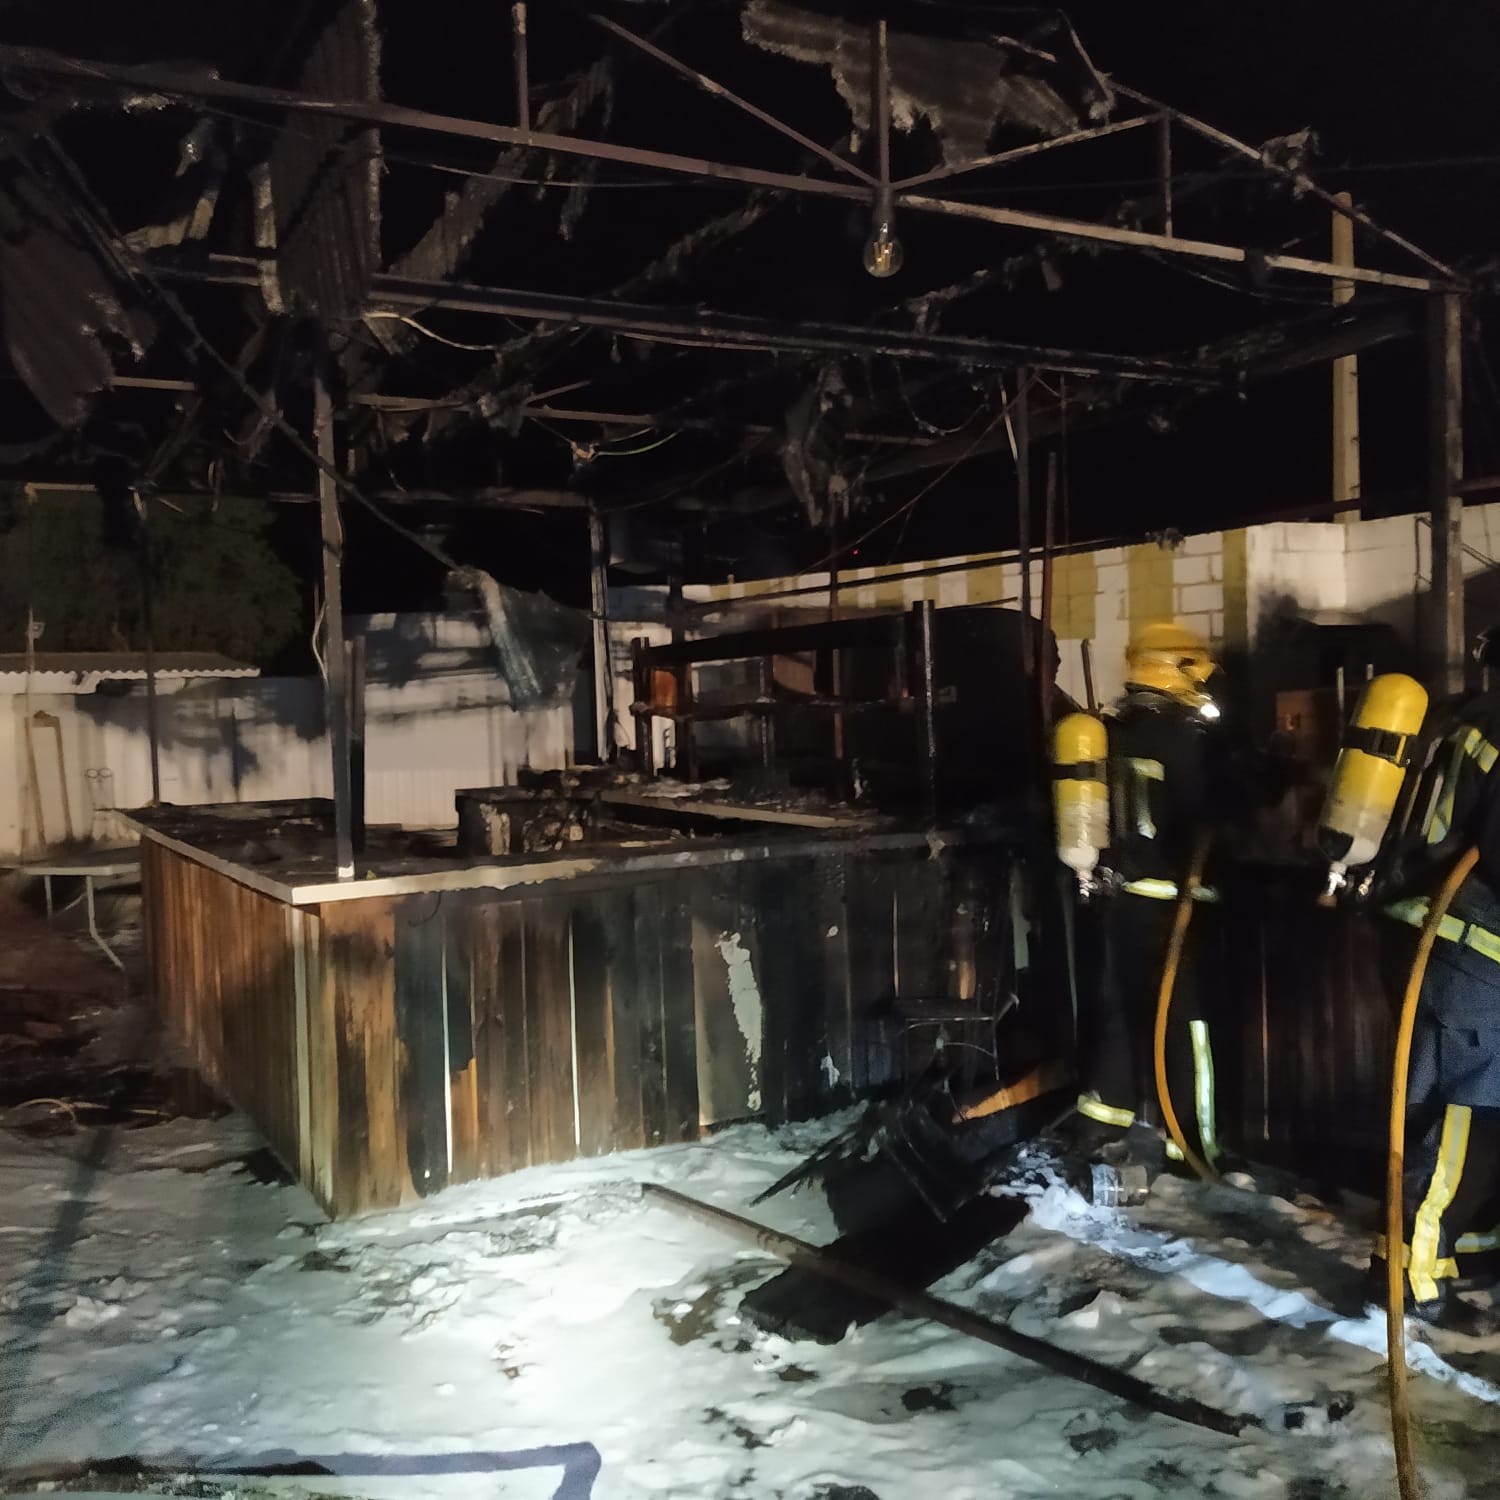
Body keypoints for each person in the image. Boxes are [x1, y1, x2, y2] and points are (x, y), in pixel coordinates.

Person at [1071, 621, 1233, 1176]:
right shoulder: (1180, 736)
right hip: (1170, 901)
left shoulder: (1108, 731)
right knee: (1186, 1026)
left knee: (1117, 1012)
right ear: (1175, 670)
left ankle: (1100, 1125)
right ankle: (1191, 1146)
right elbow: (1202, 815)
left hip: (1114, 898)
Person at [1372, 626, 1500, 1322]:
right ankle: (1415, 1281)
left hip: (1429, 938)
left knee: (1427, 1112)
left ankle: (1441, 1252)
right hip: (1479, 957)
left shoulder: (1463, 718)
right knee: (1463, 1122)